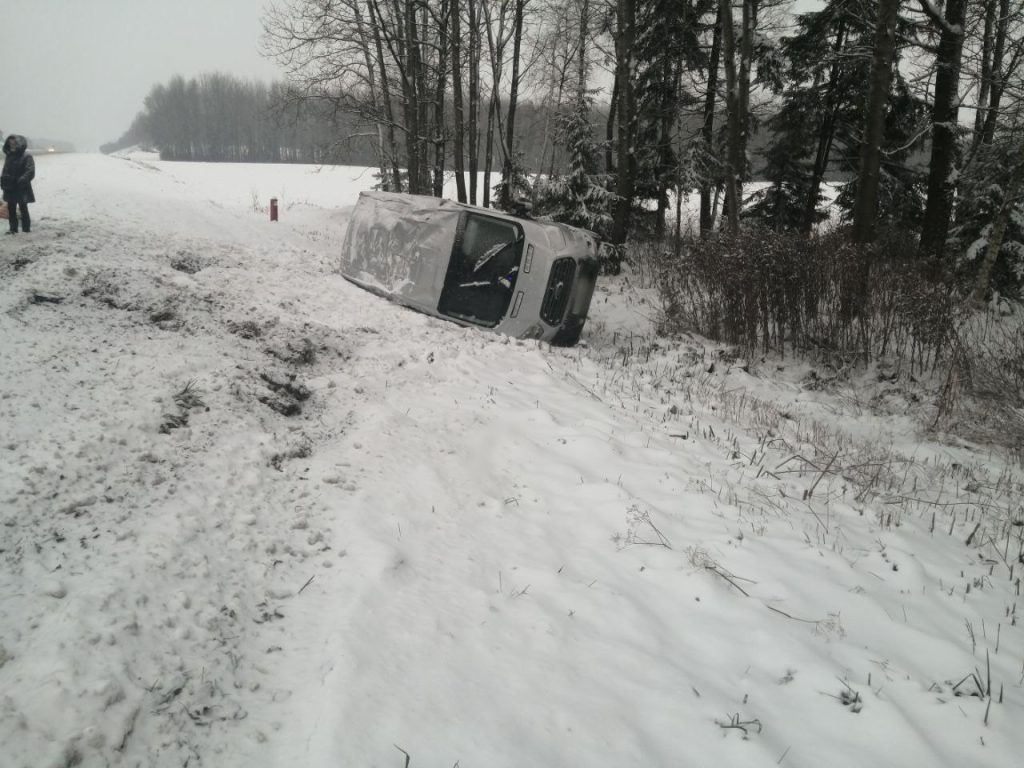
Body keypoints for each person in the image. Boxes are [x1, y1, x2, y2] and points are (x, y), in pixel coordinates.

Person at [1, 135, 35, 234]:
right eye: (10, 143)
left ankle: (26, 229)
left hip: (21, 187)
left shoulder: (26, 156)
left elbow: (30, 171)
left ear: (19, 144)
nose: (12, 145)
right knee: (11, 209)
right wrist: (3, 181)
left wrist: (22, 180)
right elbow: (5, 170)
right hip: (9, 187)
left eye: (14, 143)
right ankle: (13, 229)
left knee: (23, 208)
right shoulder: (9, 155)